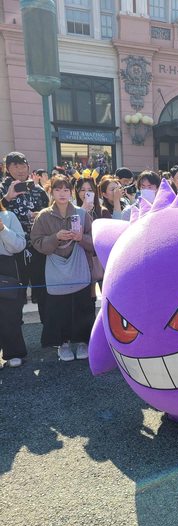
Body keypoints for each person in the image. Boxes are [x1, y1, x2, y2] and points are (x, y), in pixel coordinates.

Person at [30, 176, 94, 361]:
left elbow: (94, 240)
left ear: (71, 192)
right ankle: (63, 343)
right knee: (59, 308)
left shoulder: (81, 214)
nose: (62, 194)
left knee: (82, 306)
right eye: (58, 189)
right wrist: (55, 237)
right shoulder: (44, 216)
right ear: (51, 192)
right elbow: (36, 242)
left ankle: (82, 342)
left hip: (80, 267)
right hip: (55, 269)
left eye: (66, 190)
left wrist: (80, 238)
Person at [0, 151, 49, 319]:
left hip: (37, 247)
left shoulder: (38, 190)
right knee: (15, 294)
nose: (20, 169)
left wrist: (41, 214)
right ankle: (14, 329)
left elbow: (50, 210)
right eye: (15, 166)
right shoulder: (2, 189)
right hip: (11, 251)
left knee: (42, 290)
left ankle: (47, 330)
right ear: (7, 168)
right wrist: (7, 198)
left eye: (23, 165)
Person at [0, 200, 27, 367]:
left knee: (9, 313)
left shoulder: (8, 216)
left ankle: (14, 352)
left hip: (6, 265)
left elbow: (19, 245)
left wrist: (3, 230)